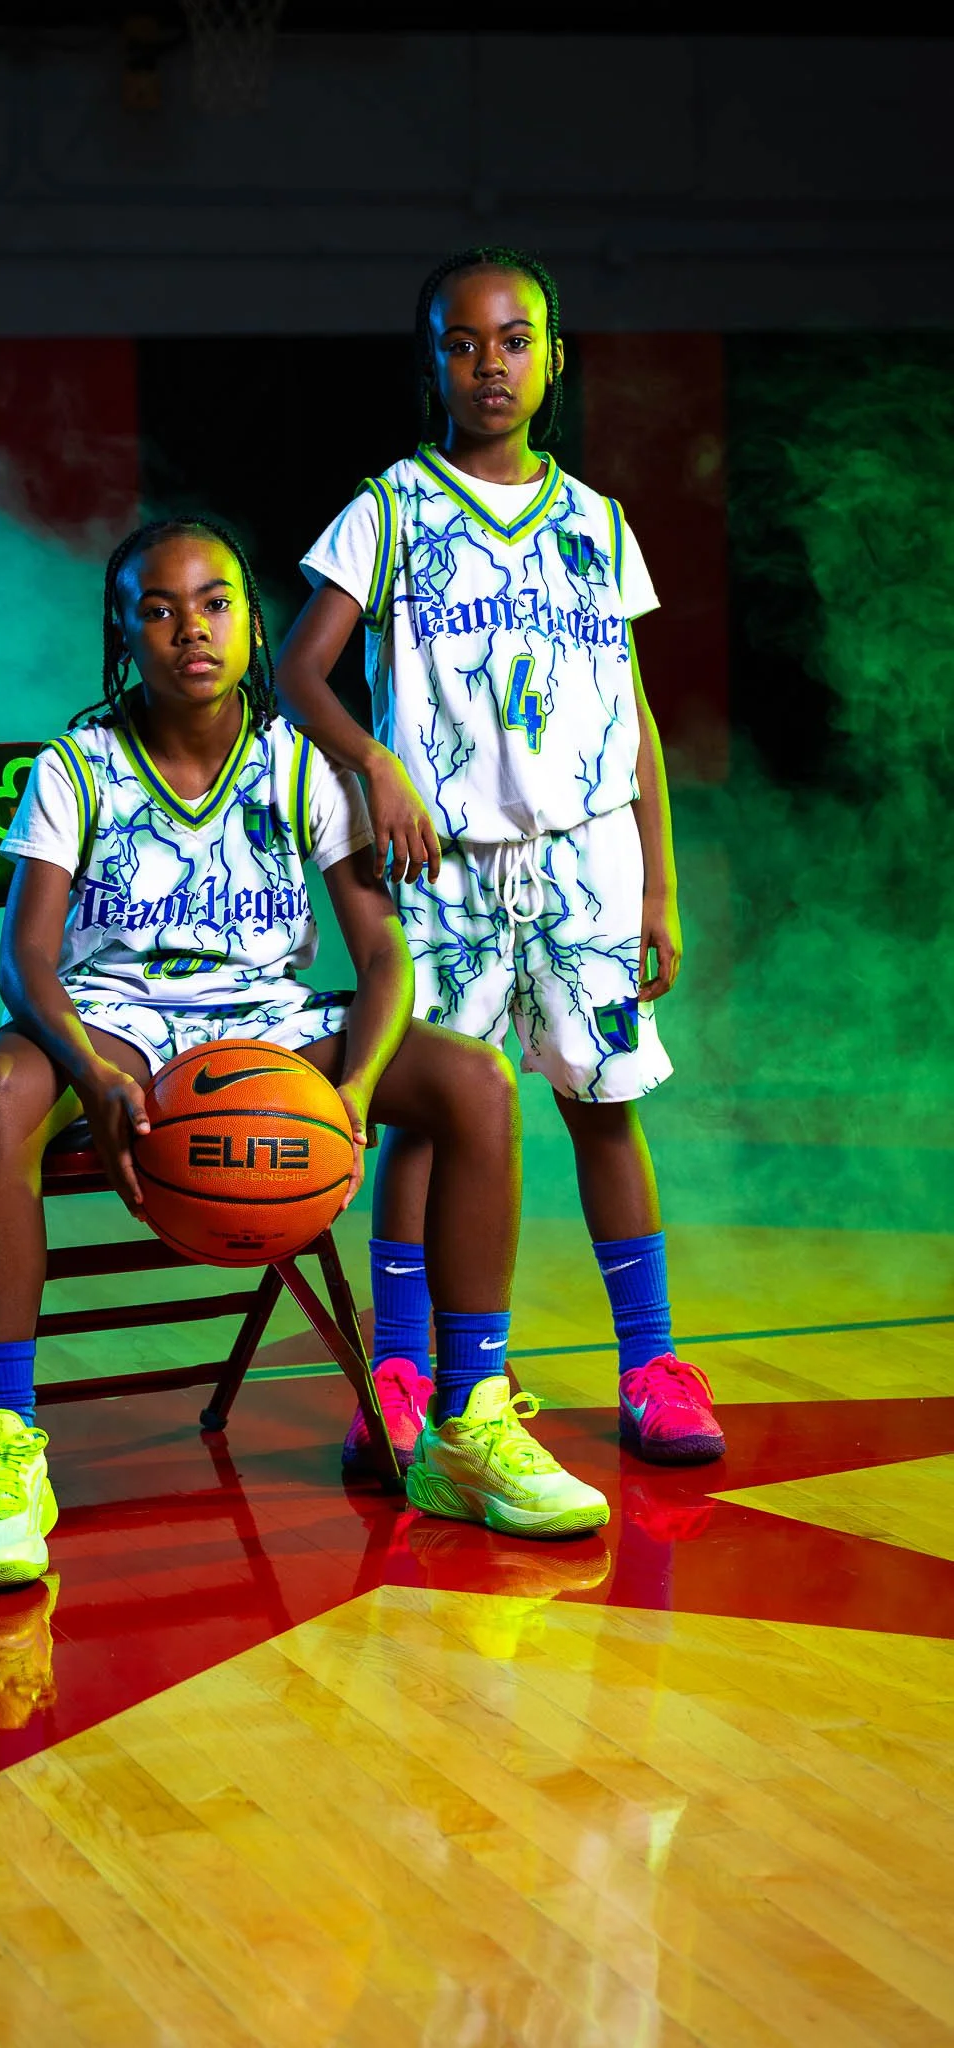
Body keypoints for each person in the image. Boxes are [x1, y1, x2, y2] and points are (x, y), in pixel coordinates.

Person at [0, 517, 609, 1592]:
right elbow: (26, 964)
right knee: (4, 1083)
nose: (189, 629)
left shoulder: (302, 767)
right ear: (122, 636)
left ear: (253, 625)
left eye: (214, 602)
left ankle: (466, 1426)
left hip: (274, 1022)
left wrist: (348, 1086)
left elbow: (384, 958)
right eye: (156, 609)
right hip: (125, 1014)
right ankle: (3, 1449)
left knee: (478, 1081)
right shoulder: (81, 766)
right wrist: (89, 1067)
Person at [278, 244, 725, 1475]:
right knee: (428, 1124)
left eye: (514, 338)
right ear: (432, 361)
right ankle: (409, 1365)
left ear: (554, 357)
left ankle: (651, 1365)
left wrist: (661, 886)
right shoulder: (390, 508)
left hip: (587, 861)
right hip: (447, 867)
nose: (490, 362)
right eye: (463, 342)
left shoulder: (597, 523)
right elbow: (298, 672)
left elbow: (631, 715)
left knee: (606, 1108)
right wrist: (377, 764)